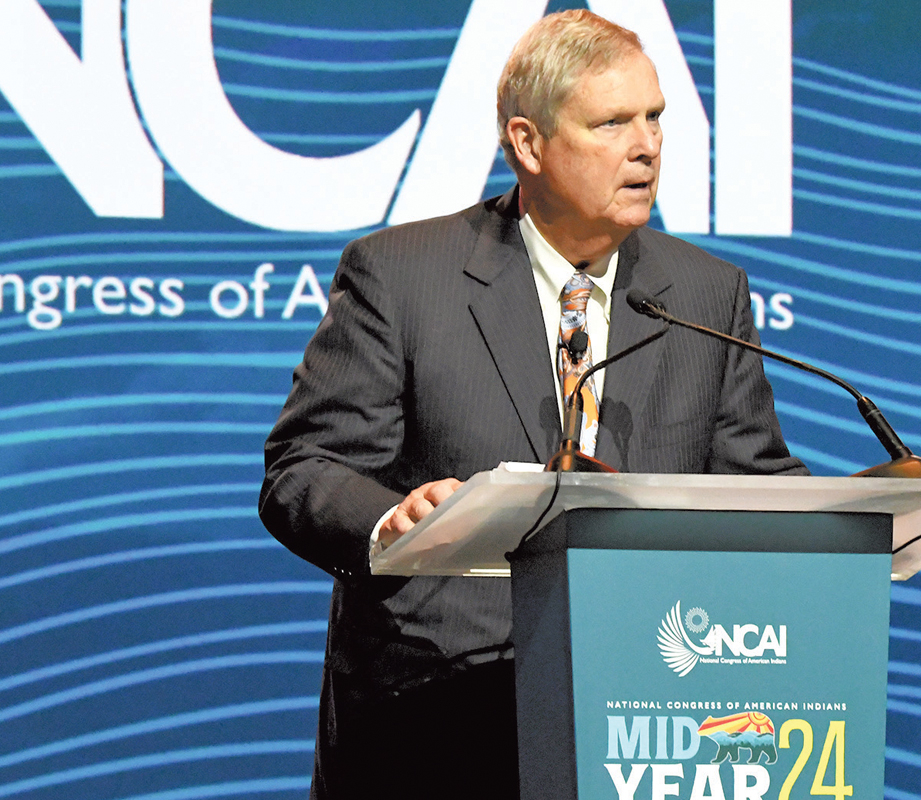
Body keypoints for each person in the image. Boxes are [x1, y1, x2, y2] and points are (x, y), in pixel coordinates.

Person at [259, 9, 807, 798]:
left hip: (644, 724)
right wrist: (394, 523)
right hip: (434, 721)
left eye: (655, 118)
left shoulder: (705, 293)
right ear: (528, 144)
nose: (647, 146)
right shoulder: (403, 276)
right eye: (613, 122)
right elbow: (304, 470)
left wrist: (861, 521)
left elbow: (750, 485)